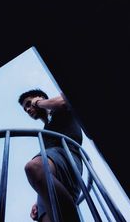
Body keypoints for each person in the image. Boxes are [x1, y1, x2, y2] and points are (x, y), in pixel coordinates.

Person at [18, 89, 83, 222]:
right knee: (43, 217)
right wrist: (41, 192)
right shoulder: (45, 131)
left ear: (40, 98)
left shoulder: (59, 108)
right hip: (52, 165)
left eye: (29, 104)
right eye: (25, 109)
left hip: (67, 157)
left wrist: (39, 102)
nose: (28, 110)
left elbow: (63, 102)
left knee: (34, 167)